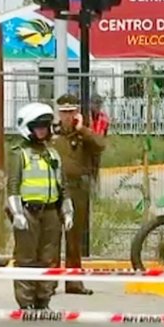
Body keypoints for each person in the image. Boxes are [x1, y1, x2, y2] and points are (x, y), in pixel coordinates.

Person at [6, 102, 73, 310]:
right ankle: (26, 303)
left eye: (45, 126)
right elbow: (13, 187)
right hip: (28, 212)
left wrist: (67, 211)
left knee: (50, 259)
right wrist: (17, 213)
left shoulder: (53, 154)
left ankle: (44, 301)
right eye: (38, 127)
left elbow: (63, 187)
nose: (42, 131)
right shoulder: (20, 154)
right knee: (26, 259)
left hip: (51, 213)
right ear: (28, 128)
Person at [52, 93, 107, 295]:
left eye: (71, 112)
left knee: (74, 238)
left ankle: (74, 282)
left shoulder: (84, 135)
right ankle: (50, 283)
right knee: (52, 237)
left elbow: (101, 145)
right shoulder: (52, 134)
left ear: (77, 113)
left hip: (77, 190)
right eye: (64, 112)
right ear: (58, 113)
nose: (67, 116)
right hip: (54, 190)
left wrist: (81, 129)